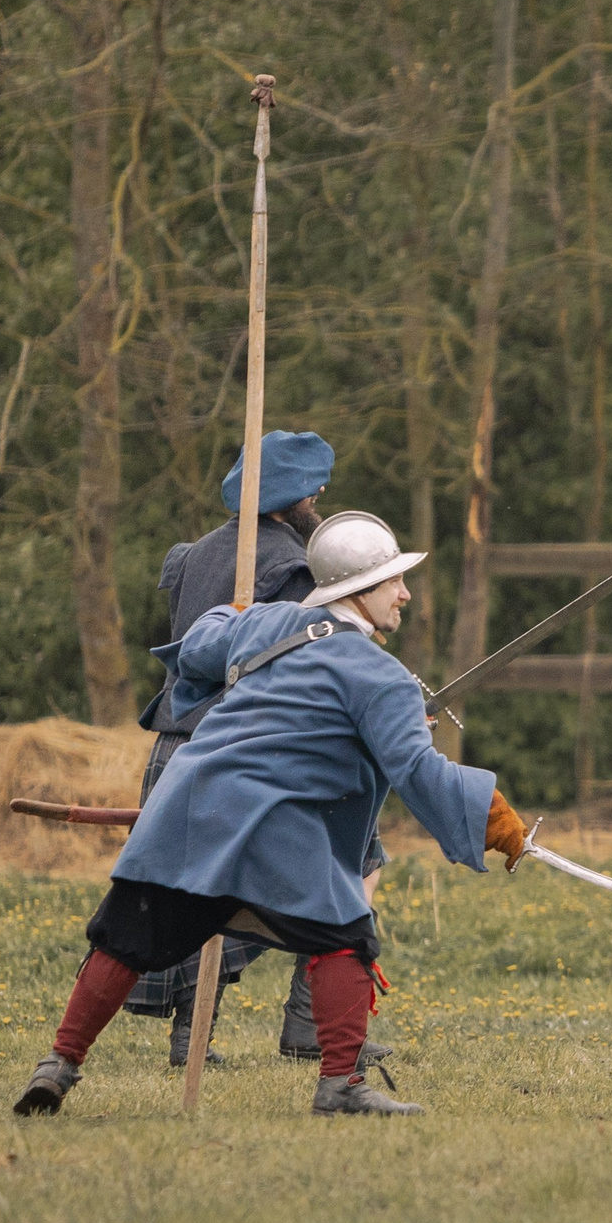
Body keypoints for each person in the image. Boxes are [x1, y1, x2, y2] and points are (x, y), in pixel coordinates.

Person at [13, 511, 527, 1119]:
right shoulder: (383, 678)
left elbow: (200, 643)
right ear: (359, 589)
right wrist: (492, 814)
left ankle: (58, 1066)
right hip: (273, 826)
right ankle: (341, 1085)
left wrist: (234, 617)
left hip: (191, 805)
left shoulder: (269, 623)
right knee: (345, 935)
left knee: (125, 937)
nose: (406, 593)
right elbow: (416, 769)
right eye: (394, 580)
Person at [119, 430, 383, 1071]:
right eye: (315, 490)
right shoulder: (295, 569)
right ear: (295, 496)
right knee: (352, 863)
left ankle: (193, 1040)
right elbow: (304, 664)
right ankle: (308, 1029)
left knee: (191, 885)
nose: (320, 500)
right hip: (246, 749)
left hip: (176, 745)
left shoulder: (192, 555)